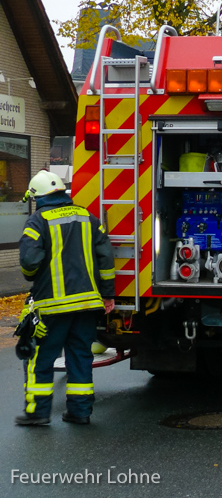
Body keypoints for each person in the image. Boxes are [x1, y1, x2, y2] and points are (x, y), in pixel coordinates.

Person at [16, 170, 115, 427]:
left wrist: (33, 277)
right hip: (86, 305)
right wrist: (108, 294)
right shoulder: (88, 218)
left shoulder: (37, 222)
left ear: (37, 197)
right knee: (80, 356)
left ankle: (38, 413)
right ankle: (80, 412)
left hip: (52, 307)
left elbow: (29, 263)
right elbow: (106, 258)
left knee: (42, 359)